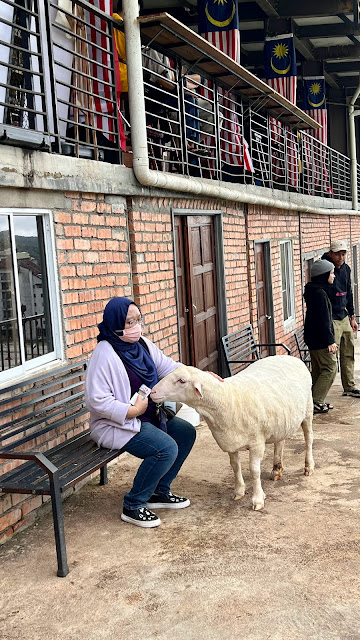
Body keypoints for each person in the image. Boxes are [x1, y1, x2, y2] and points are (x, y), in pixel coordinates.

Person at [85, 297, 196, 528]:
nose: (136, 326)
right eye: (128, 322)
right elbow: (97, 401)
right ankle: (133, 504)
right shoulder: (104, 353)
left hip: (149, 416)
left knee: (185, 433)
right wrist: (131, 410)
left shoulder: (142, 345)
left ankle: (159, 491)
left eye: (138, 319)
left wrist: (200, 377)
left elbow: (169, 367)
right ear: (114, 324)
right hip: (118, 423)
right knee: (165, 448)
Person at [322, 240, 360, 398]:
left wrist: (352, 316)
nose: (340, 257)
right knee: (331, 357)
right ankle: (320, 394)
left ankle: (349, 386)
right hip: (331, 317)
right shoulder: (324, 269)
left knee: (348, 351)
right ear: (330, 253)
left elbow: (349, 292)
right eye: (337, 254)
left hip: (344, 315)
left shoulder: (346, 269)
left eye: (343, 254)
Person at [304, 259, 338, 414]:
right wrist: (330, 341)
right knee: (330, 368)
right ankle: (316, 401)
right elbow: (323, 319)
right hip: (320, 340)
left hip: (313, 338)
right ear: (323, 275)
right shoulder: (319, 293)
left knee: (318, 371)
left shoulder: (314, 290)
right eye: (331, 273)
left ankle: (311, 401)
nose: (334, 276)